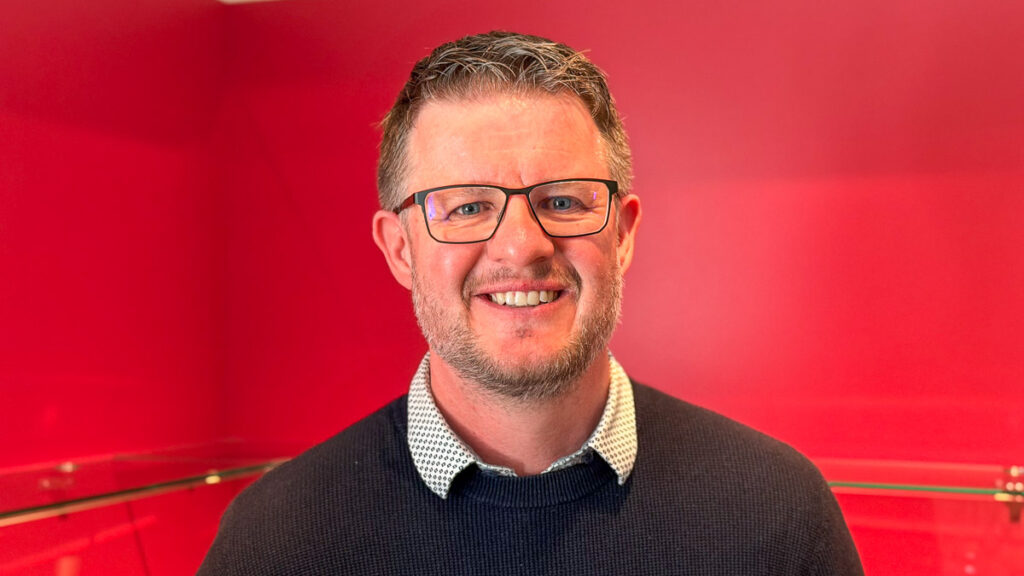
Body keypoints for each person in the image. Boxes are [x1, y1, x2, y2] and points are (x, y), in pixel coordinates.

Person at [198, 31, 863, 575]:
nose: (520, 246)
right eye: (467, 208)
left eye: (563, 201)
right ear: (400, 249)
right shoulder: (276, 543)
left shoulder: (777, 516)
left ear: (623, 235)